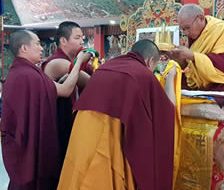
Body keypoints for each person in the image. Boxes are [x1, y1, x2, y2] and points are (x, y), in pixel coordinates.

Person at [57, 39, 175, 190]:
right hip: (108, 137)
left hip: (82, 135)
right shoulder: (142, 74)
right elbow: (167, 113)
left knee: (78, 176)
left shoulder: (106, 67)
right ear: (150, 61)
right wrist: (170, 78)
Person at [0, 30, 91, 190]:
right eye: (37, 44)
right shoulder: (30, 75)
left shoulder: (19, 72)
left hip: (19, 143)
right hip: (28, 146)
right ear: (24, 48)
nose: (42, 48)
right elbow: (66, 90)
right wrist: (79, 62)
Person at [41, 21, 92, 161]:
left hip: (69, 118)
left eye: (82, 37)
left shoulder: (72, 60)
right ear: (63, 41)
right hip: (57, 123)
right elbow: (91, 82)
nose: (82, 40)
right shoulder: (57, 62)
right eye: (77, 38)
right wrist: (82, 61)